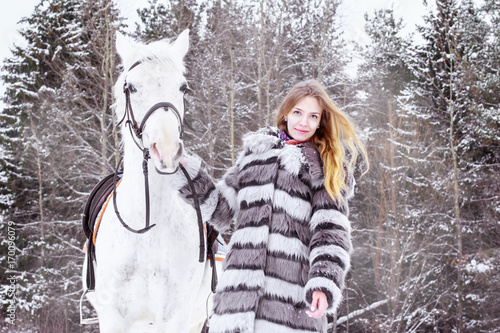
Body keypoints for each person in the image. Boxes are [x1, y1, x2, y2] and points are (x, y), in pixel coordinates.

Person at [178, 79, 368, 333]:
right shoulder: (256, 155)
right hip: (237, 302)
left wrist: (323, 283)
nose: (303, 122)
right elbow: (220, 208)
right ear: (286, 113)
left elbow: (330, 236)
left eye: (313, 116)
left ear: (321, 122)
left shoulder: (324, 168)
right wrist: (183, 170)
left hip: (290, 304)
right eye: (298, 113)